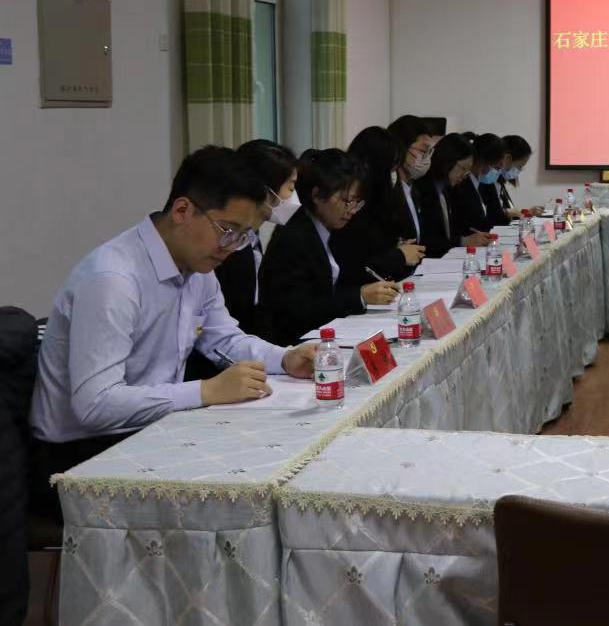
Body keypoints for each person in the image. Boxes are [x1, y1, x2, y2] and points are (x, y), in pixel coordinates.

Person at [29, 147, 319, 517]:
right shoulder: (113, 279)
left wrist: (285, 358)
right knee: (238, 506)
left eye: (243, 236)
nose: (231, 247)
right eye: (227, 231)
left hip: (149, 430)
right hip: (80, 458)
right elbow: (95, 405)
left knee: (280, 464)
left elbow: (225, 339)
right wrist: (206, 391)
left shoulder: (198, 268)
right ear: (182, 211)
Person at [257, 149, 400, 344]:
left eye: (357, 202)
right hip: (296, 343)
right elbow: (297, 310)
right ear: (317, 195)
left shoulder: (332, 227)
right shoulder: (294, 237)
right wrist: (359, 296)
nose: (351, 210)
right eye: (346, 201)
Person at [214, 140, 299, 339]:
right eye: (291, 187)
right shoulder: (229, 244)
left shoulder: (252, 236)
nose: (293, 197)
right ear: (266, 191)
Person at [331, 126, 424, 282]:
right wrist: (398, 256)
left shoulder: (379, 200)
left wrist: (398, 248)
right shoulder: (350, 207)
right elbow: (353, 266)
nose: (394, 175)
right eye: (391, 168)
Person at [420, 133, 490, 258]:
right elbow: (427, 241)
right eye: (463, 168)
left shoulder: (447, 189)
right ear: (447, 160)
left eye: (467, 171)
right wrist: (462, 241)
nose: (464, 176)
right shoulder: (422, 190)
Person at [386, 114, 434, 243]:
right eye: (422, 151)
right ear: (401, 147)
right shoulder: (388, 191)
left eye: (429, 153)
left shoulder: (415, 189)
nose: (426, 159)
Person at [453, 133, 510, 233]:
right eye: (495, 167)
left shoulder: (480, 183)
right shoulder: (463, 184)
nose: (500, 168)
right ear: (482, 161)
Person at [497, 134, 544, 219]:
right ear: (507, 159)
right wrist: (524, 213)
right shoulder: (490, 183)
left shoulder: (500, 183)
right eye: (520, 166)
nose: (519, 171)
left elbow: (510, 214)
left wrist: (527, 213)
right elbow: (498, 216)